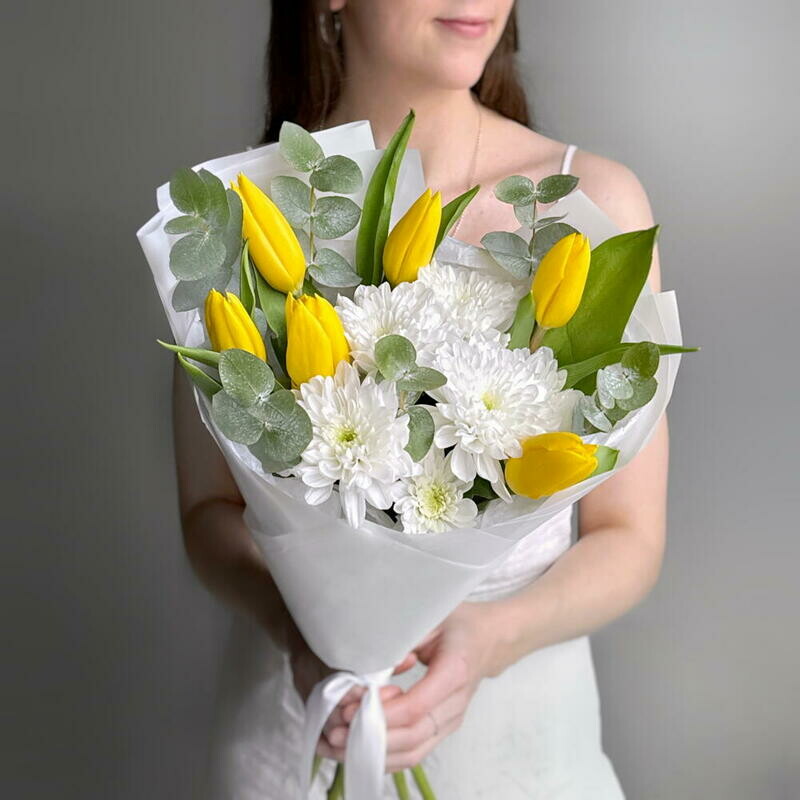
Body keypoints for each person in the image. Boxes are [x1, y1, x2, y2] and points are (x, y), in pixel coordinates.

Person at [173, 2, 669, 797]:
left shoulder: (592, 206)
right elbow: (207, 513)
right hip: (298, 737)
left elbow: (631, 536)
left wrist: (492, 638)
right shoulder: (242, 216)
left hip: (523, 752)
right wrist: (300, 634)